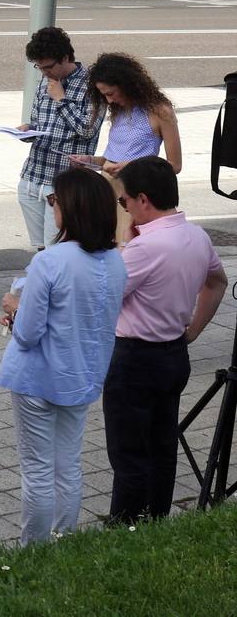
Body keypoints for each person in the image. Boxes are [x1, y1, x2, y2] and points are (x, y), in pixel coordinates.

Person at [0, 167, 124, 545]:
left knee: (37, 470)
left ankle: (33, 548)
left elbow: (27, 334)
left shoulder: (50, 261)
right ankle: (63, 540)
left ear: (71, 208)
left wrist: (15, 308)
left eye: (55, 200)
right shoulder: (115, 260)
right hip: (81, 375)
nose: (52, 206)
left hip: (38, 378)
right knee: (67, 465)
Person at [104, 157, 226, 525]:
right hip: (174, 352)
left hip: (134, 357)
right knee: (162, 447)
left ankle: (124, 526)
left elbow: (106, 297)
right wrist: (194, 329)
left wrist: (124, 243)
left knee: (129, 453)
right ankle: (156, 521)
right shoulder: (197, 235)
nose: (124, 208)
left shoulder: (145, 248)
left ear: (143, 199)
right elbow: (217, 283)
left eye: (124, 201)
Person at [72, 53, 182, 244]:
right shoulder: (119, 111)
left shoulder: (160, 111)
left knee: (129, 247)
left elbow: (174, 165)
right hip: (109, 191)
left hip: (135, 195)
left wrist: (132, 167)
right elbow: (111, 158)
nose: (108, 101)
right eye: (104, 95)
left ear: (126, 84)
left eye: (110, 93)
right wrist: (89, 160)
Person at [17, 27, 106, 250]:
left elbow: (88, 130)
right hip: (33, 174)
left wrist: (61, 99)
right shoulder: (45, 80)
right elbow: (39, 121)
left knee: (57, 249)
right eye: (39, 67)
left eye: (48, 67)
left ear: (65, 57)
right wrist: (27, 130)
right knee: (40, 249)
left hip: (64, 181)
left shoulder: (92, 85)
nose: (44, 72)